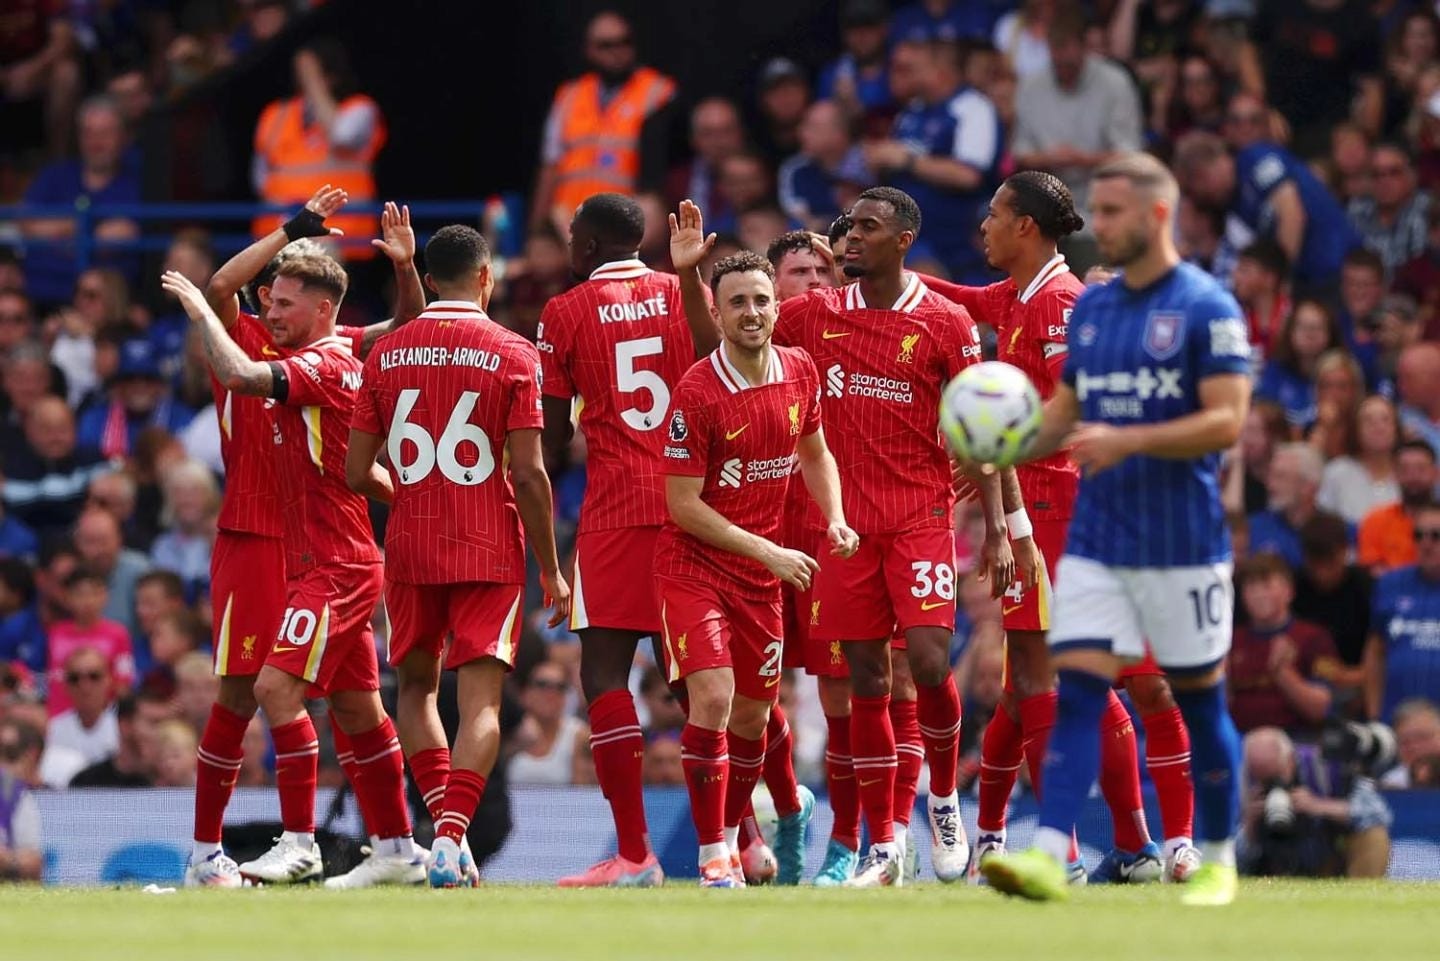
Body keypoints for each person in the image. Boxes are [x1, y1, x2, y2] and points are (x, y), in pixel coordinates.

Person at [681, 186, 1006, 887]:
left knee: (924, 664)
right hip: (847, 533)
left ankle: (944, 799)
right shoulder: (817, 314)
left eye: (867, 227)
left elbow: (980, 431)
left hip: (921, 519)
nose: (848, 239)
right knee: (863, 680)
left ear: (903, 238)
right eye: (848, 227)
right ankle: (883, 844)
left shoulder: (946, 322)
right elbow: (721, 352)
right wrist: (688, 278)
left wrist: (1004, 530)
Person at [978, 152, 1252, 906]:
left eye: (1113, 214)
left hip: (1178, 533)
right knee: (1078, 689)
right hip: (1095, 531)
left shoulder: (1207, 306)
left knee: (1178, 694)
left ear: (1157, 217)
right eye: (1094, 213)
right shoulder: (1092, 310)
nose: (1097, 227)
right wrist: (997, 446)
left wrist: (1131, 440)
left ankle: (1204, 847)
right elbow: (1062, 414)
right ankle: (1049, 849)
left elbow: (1228, 418)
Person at [920, 169, 1177, 884]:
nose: (983, 229)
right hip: (1034, 500)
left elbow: (1079, 404)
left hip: (1055, 506)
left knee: (1048, 677)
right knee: (1024, 681)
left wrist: (1001, 449)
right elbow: (966, 298)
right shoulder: (1023, 294)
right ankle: (1111, 846)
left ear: (1024, 227)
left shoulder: (1061, 302)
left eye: (994, 217)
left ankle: (1074, 846)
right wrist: (892, 276)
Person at [180, 187, 420, 888]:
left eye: (281, 301)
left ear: (319, 309)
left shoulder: (326, 351)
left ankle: (337, 841)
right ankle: (208, 854)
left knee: (306, 695)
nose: (265, 308)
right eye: (267, 299)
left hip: (320, 549)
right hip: (254, 537)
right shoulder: (249, 332)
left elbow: (403, 323)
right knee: (259, 697)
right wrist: (296, 227)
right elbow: (223, 287)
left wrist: (403, 268)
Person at [346, 224, 570, 888]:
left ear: (431, 276)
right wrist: (554, 569)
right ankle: (450, 836)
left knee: (414, 689)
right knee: (481, 703)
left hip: (411, 544)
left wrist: (409, 493)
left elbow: (359, 471)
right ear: (485, 276)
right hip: (487, 543)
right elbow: (528, 473)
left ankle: (444, 830)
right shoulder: (512, 351)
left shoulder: (384, 353)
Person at [538, 193, 719, 887]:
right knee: (698, 680)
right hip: (691, 503)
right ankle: (736, 842)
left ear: (585, 245)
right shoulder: (683, 289)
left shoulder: (563, 312)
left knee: (606, 676)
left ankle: (636, 853)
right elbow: (719, 366)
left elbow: (549, 442)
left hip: (616, 507)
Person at [657, 251, 854, 886]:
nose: (752, 313)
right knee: (713, 696)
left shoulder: (799, 369)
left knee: (753, 715)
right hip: (695, 568)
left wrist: (836, 517)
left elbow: (816, 451)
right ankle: (714, 852)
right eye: (737, 302)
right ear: (715, 311)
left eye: (761, 301)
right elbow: (682, 505)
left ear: (776, 306)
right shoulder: (696, 392)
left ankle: (738, 833)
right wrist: (769, 550)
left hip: (759, 578)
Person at [1010, 5, 1144, 274]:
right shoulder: (1031, 86)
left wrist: (1082, 160)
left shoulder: (1115, 83)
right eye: (1058, 62)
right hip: (1043, 207)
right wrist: (1048, 159)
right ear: (1048, 49)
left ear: (1085, 48)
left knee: (1093, 276)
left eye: (1070, 63)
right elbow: (1020, 155)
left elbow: (1131, 157)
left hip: (1097, 206)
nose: (1064, 69)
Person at [866, 40, 1002, 283]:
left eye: (919, 68)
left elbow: (968, 175)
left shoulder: (972, 108)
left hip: (960, 237)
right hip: (912, 235)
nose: (912, 75)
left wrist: (907, 161)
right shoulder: (912, 111)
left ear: (941, 72)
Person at [530, 12, 675, 236]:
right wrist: (537, 231)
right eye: (605, 45)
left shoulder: (657, 93)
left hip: (625, 225)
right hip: (568, 224)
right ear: (589, 50)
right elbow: (550, 167)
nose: (616, 51)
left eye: (624, 42)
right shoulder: (569, 96)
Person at [1174, 131, 1360, 300]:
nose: (1202, 198)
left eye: (1194, 190)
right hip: (1309, 278)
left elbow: (1292, 215)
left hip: (1338, 265)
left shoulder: (1254, 159)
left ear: (1201, 175)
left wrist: (1279, 280)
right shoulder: (1234, 203)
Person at [251, 40, 386, 255]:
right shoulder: (276, 113)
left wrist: (314, 84)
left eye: (311, 71)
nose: (304, 77)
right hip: (278, 239)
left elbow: (343, 137)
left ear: (332, 75)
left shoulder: (360, 108)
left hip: (344, 240)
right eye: (301, 72)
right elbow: (260, 180)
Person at [1238, 726, 1392, 879]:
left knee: (1374, 835)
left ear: (1291, 760)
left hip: (1326, 859)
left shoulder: (1326, 764)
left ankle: (1361, 897)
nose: (1272, 784)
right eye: (1262, 778)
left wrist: (1318, 806)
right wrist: (1249, 826)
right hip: (1272, 870)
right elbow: (1226, 858)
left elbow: (1378, 814)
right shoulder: (1239, 780)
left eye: (1276, 775)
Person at [1228, 553, 1339, 739]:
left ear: (1289, 591)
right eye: (1251, 586)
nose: (1258, 594)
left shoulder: (1314, 638)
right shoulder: (1230, 642)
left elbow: (1321, 709)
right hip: (1239, 739)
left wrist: (1283, 672)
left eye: (1266, 585)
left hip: (1296, 741)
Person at [1364, 500, 1440, 723]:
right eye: (1419, 535)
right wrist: (1374, 717)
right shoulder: (1389, 584)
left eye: (1436, 536)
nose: (1426, 544)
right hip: (1395, 722)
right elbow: (1375, 651)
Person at [1358, 439, 1439, 575]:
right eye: (1405, 469)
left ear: (1436, 474)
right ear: (1394, 475)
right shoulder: (1376, 520)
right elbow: (1373, 573)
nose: (1413, 476)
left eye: (1421, 469)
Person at [509, 662, 590, 785]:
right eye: (542, 685)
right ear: (525, 692)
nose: (551, 694)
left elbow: (582, 793)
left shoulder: (580, 736)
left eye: (560, 687)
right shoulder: (507, 730)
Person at [0, 718, 43, 882]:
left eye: (10, 755)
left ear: (30, 757)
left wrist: (8, 861)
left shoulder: (19, 798)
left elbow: (34, 863)